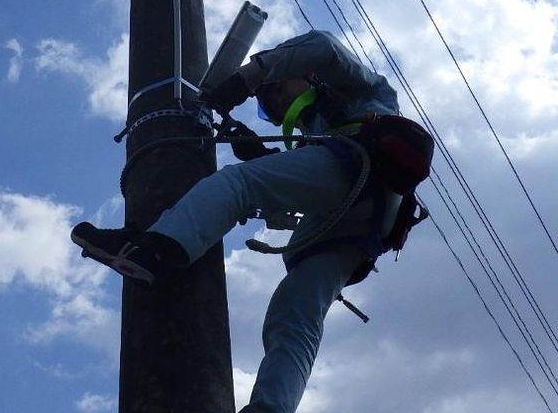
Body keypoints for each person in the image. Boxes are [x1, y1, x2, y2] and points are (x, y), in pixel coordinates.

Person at [71, 29, 425, 413]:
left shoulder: (359, 93)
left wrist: (247, 78)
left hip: (360, 169)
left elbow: (321, 47)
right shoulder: (319, 131)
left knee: (238, 185)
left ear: (302, 75)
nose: (268, 100)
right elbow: (287, 201)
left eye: (272, 91)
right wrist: (258, 155)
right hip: (364, 223)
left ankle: (153, 250)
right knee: (295, 315)